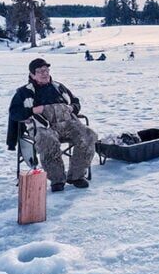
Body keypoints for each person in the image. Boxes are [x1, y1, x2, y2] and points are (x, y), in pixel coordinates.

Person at [7, 58, 98, 191]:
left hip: (67, 123)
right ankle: (57, 179)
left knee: (89, 135)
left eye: (46, 70)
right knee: (48, 140)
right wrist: (32, 110)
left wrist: (73, 108)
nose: (44, 73)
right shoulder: (24, 92)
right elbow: (14, 113)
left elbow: (76, 102)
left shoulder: (59, 87)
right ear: (32, 75)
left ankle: (76, 176)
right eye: (40, 71)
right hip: (42, 127)